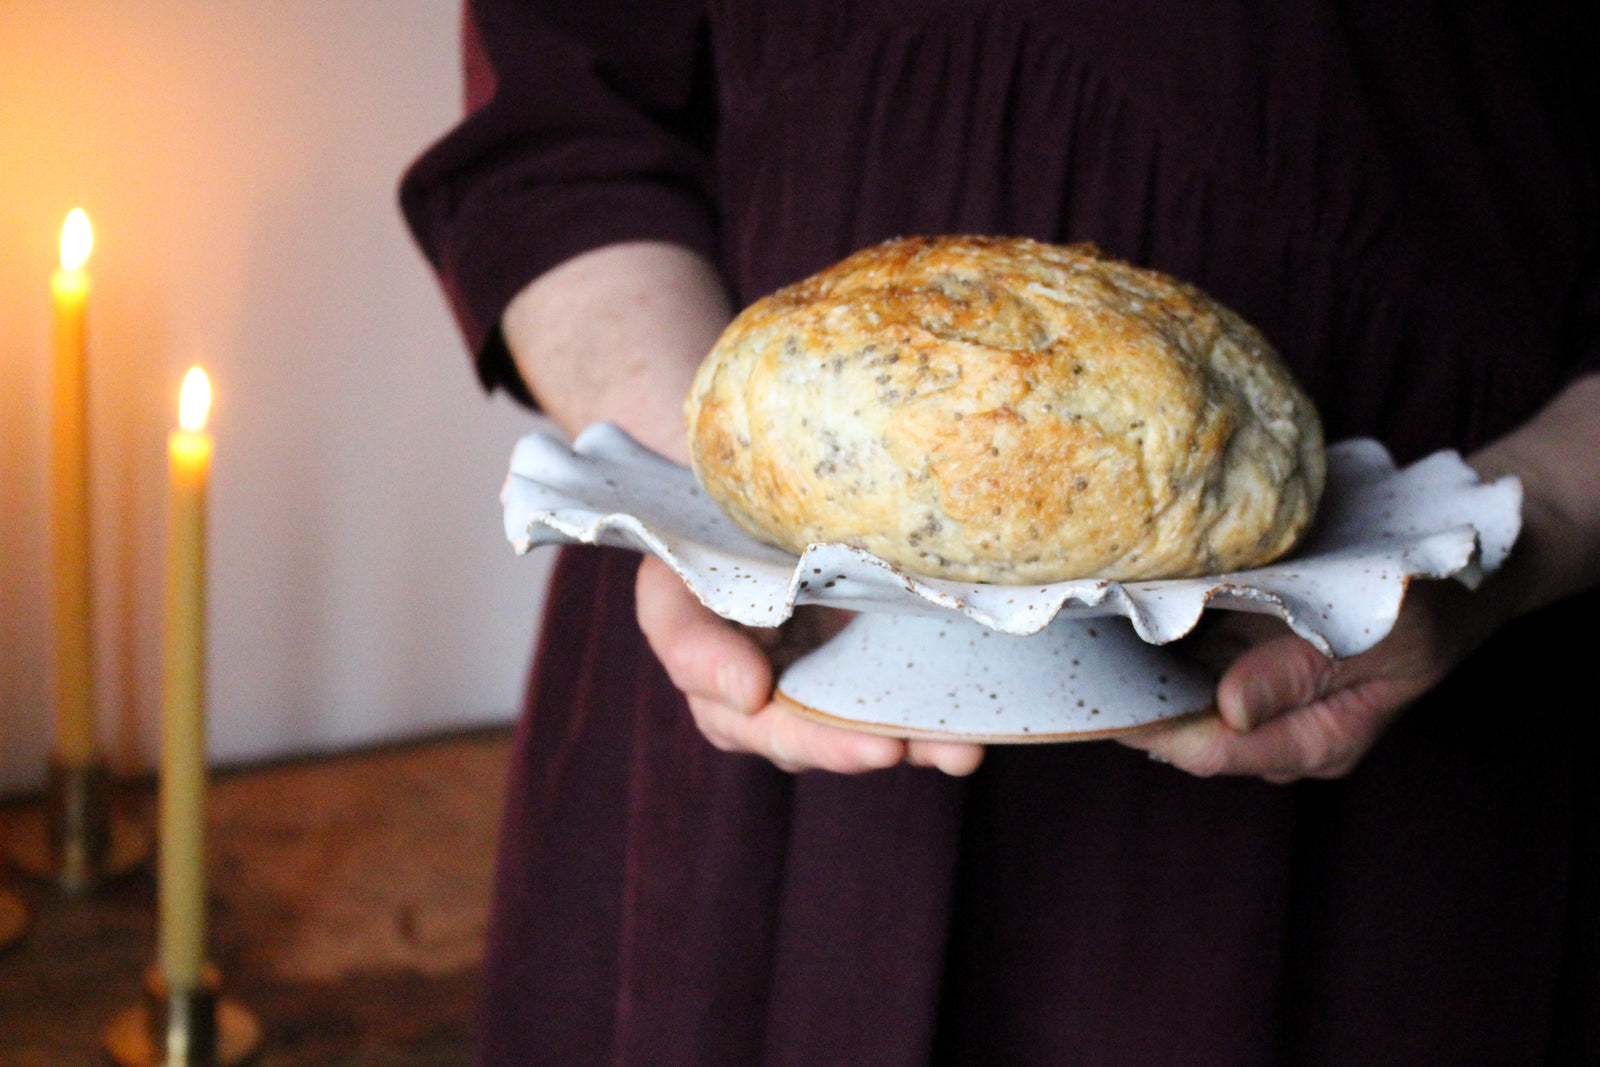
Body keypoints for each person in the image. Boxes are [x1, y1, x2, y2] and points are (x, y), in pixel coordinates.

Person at [401, 3, 1600, 1063]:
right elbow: (563, 124)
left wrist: (1518, 527)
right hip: (753, 698)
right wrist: (715, 520)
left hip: (1393, 784)